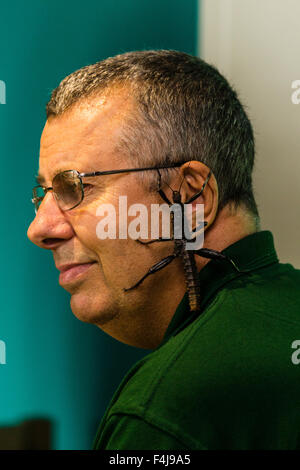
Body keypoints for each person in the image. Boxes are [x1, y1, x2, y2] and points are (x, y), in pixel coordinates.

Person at [27, 50, 300, 450]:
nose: (39, 228)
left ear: (192, 198)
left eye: (76, 186)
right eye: (44, 193)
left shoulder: (165, 410)